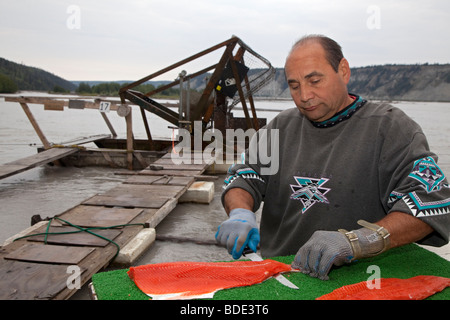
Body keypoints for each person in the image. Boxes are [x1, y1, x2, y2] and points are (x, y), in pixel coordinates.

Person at [215, 34, 450, 280]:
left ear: (344, 71)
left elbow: (432, 203)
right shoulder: (279, 128)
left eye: (314, 81)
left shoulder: (390, 127)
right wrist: (240, 212)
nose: (304, 95)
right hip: (280, 275)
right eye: (294, 86)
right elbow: (244, 177)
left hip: (363, 280)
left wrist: (357, 242)